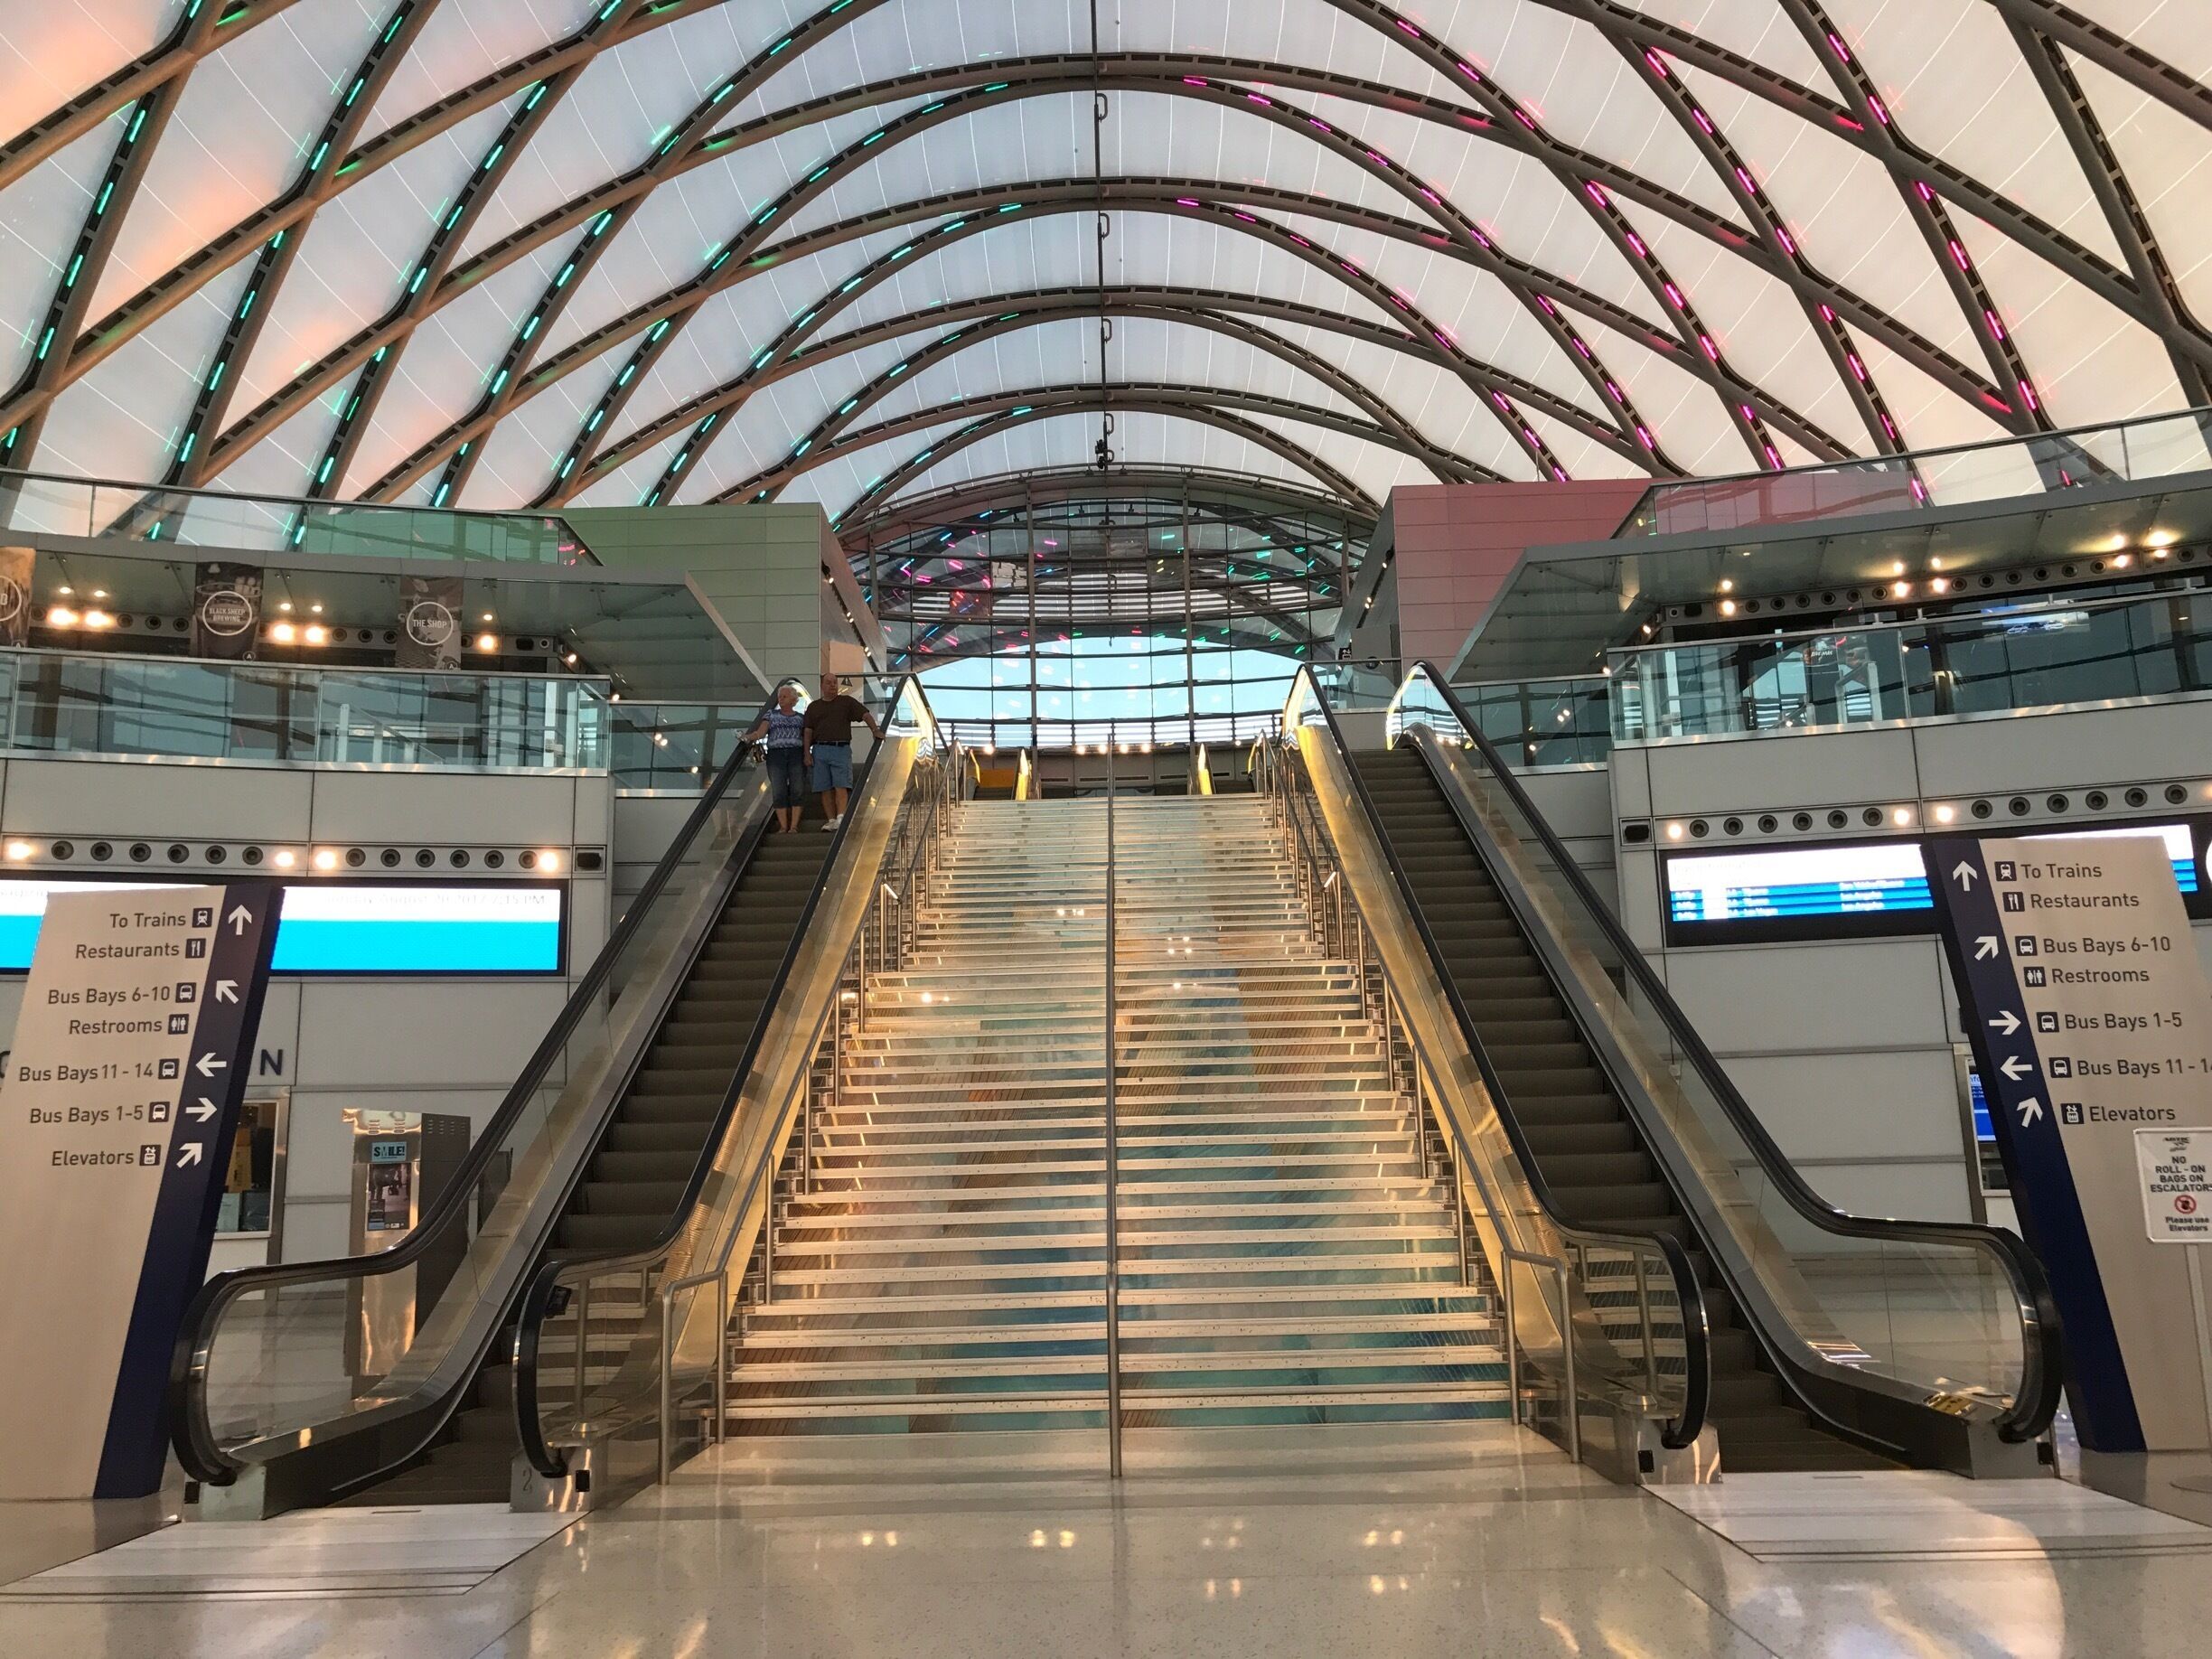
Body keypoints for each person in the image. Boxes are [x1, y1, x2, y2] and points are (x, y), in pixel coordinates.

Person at [803, 673, 882, 830]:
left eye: (835, 682)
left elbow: (865, 715)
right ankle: (831, 819)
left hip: (840, 748)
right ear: (822, 686)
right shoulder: (814, 707)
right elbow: (808, 731)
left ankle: (841, 817)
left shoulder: (846, 702)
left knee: (841, 784)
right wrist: (807, 753)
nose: (833, 685)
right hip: (819, 749)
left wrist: (875, 730)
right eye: (828, 682)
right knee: (824, 787)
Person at [743, 683, 809, 832]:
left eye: (785, 696)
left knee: (797, 789)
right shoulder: (771, 715)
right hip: (776, 755)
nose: (781, 699)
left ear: (793, 700)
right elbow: (761, 732)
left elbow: (806, 737)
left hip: (796, 753)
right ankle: (784, 826)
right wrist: (748, 737)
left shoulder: (801, 718)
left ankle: (794, 826)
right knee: (779, 790)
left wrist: (807, 754)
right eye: (780, 697)